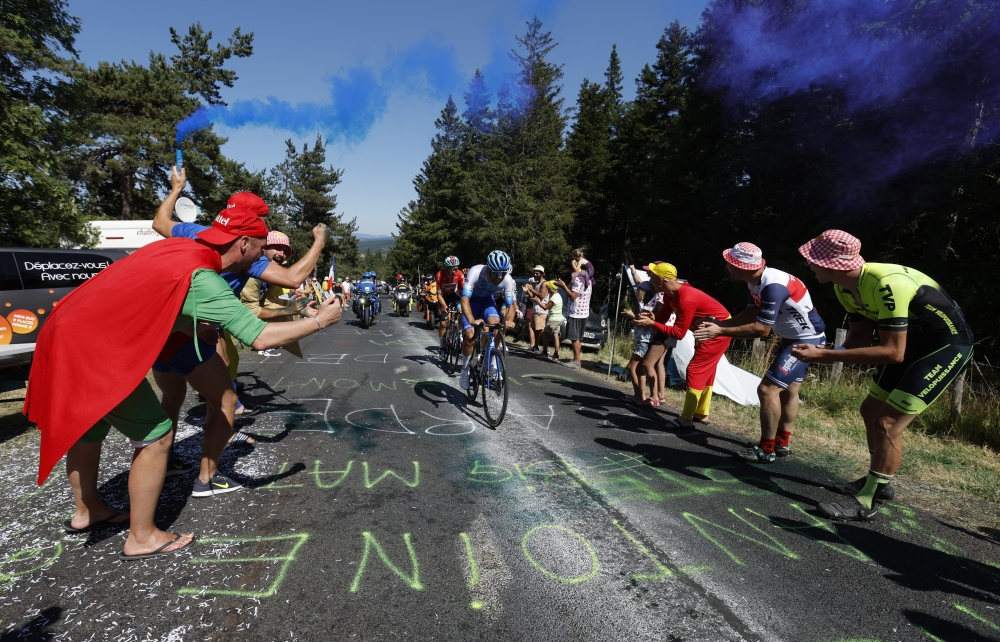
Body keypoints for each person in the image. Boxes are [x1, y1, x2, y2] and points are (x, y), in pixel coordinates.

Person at [26, 205, 343, 559]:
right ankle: (143, 536)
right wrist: (321, 321)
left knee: (90, 425)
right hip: (94, 348)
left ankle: (88, 511)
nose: (261, 255)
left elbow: (148, 297)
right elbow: (260, 337)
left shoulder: (180, 247)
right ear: (242, 245)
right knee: (158, 434)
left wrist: (187, 324)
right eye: (258, 246)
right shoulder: (203, 276)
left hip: (64, 330)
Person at [791, 230, 974, 521]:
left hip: (945, 347)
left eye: (813, 260)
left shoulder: (888, 284)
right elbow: (859, 339)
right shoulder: (844, 286)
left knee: (888, 423)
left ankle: (867, 500)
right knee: (870, 409)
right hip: (910, 343)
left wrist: (825, 355)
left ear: (833, 264)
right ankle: (880, 482)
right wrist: (820, 354)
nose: (808, 265)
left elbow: (893, 353)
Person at [152, 169, 327, 413]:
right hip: (205, 319)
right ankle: (225, 426)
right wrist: (319, 242)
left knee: (177, 392)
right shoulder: (247, 253)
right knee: (224, 377)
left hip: (177, 317)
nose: (264, 226)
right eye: (262, 219)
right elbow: (293, 278)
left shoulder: (198, 231)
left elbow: (160, 223)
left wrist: (176, 189)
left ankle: (185, 437)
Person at [694, 242, 827, 464]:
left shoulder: (772, 286)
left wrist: (720, 331)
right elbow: (751, 312)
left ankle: (767, 449)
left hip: (805, 341)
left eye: (729, 263)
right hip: (794, 338)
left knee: (767, 389)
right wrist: (721, 323)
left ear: (741, 266)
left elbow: (761, 329)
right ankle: (781, 444)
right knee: (789, 391)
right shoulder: (755, 280)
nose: (726, 267)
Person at [633, 262, 731, 428]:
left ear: (662, 279)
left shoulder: (685, 298)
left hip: (718, 331)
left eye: (652, 276)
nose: (649, 279)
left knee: (695, 370)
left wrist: (652, 324)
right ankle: (701, 413)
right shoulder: (669, 294)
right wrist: (652, 318)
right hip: (707, 330)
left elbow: (678, 333)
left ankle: (686, 419)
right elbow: (662, 319)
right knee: (708, 371)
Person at [459, 251, 517, 389]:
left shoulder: (507, 279)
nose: (500, 276)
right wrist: (472, 320)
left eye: (503, 272)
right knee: (470, 336)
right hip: (471, 302)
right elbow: (464, 299)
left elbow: (511, 305)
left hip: (487, 302)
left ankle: (493, 364)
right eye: (497, 273)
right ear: (489, 269)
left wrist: (509, 320)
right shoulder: (475, 272)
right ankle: (465, 370)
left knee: (496, 327)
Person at [621, 281, 660, 405]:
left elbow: (645, 325)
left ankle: (639, 396)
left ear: (643, 292)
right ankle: (640, 396)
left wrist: (632, 316)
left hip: (644, 341)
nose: (636, 292)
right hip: (645, 340)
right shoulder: (647, 305)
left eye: (638, 290)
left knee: (631, 367)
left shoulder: (648, 307)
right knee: (639, 369)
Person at [559, 259, 593, 369]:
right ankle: (577, 359)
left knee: (574, 338)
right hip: (584, 312)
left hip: (575, 312)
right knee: (578, 338)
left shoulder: (578, 280)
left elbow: (573, 296)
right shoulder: (587, 279)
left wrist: (564, 286)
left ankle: (577, 361)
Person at [436, 256, 465, 355]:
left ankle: (459, 332)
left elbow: (463, 292)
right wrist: (444, 306)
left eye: (456, 268)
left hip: (454, 295)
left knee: (461, 310)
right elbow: (439, 295)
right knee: (443, 323)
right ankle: (442, 346)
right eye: (453, 269)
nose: (454, 271)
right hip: (444, 297)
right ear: (447, 268)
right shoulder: (440, 275)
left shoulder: (459, 274)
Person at [536, 279, 565, 361]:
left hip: (554, 319)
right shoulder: (558, 296)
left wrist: (538, 301)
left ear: (549, 288)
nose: (546, 288)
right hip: (559, 319)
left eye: (547, 287)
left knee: (545, 334)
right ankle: (556, 354)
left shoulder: (554, 298)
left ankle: (545, 351)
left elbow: (545, 307)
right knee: (555, 335)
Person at [524, 266, 549, 354]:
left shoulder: (544, 283)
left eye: (537, 273)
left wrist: (532, 289)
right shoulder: (536, 283)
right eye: (534, 273)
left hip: (541, 310)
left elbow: (541, 296)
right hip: (535, 309)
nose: (535, 275)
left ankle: (545, 350)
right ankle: (536, 346)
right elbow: (532, 296)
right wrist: (528, 290)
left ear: (542, 274)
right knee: (535, 329)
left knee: (541, 330)